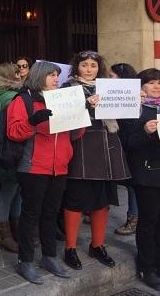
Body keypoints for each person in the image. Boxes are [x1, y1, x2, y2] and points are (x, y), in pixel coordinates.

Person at [7, 61, 85, 285]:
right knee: (31, 215)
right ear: (39, 76)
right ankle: (25, 260)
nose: (55, 79)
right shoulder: (24, 100)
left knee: (51, 214)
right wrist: (32, 122)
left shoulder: (62, 99)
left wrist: (81, 116)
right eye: (51, 75)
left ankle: (49, 256)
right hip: (33, 167)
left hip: (59, 166)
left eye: (56, 76)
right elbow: (13, 132)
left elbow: (75, 135)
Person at [61, 51, 130, 270]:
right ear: (77, 67)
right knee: (75, 199)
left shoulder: (109, 87)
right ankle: (70, 248)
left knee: (102, 200)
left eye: (93, 65)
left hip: (107, 148)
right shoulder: (68, 88)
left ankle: (97, 245)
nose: (89, 69)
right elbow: (64, 118)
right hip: (80, 147)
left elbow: (124, 113)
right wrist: (86, 105)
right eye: (84, 65)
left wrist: (135, 100)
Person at [119, 68, 160, 290]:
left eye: (159, 83)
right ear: (141, 86)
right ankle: (147, 266)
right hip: (146, 173)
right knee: (149, 221)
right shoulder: (134, 108)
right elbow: (127, 143)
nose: (157, 86)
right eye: (152, 82)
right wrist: (144, 131)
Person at [0, 62, 23, 252]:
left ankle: (13, 228)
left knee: (14, 190)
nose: (20, 75)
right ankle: (5, 233)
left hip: (3, 149)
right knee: (10, 192)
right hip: (12, 150)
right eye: (16, 72)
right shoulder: (11, 97)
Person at [110, 62, 140, 236]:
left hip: (130, 144)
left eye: (112, 76)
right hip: (118, 142)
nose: (109, 78)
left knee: (132, 184)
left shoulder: (133, 95)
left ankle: (133, 219)